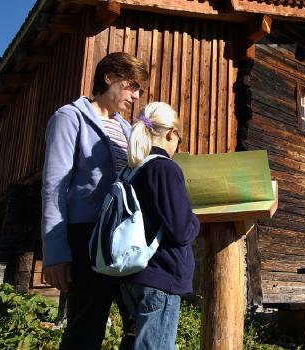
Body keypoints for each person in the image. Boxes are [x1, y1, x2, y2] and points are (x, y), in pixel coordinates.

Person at [41, 52, 149, 349]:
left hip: (122, 238)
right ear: (109, 77)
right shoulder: (69, 117)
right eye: (132, 86)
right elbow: (54, 187)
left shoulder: (128, 130)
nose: (136, 96)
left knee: (138, 324)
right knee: (86, 328)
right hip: (86, 236)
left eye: (139, 90)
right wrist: (55, 252)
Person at [120, 101, 200, 349]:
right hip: (160, 278)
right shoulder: (164, 168)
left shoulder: (131, 170)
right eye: (180, 139)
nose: (178, 146)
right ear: (170, 133)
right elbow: (181, 229)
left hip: (131, 277)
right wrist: (195, 219)